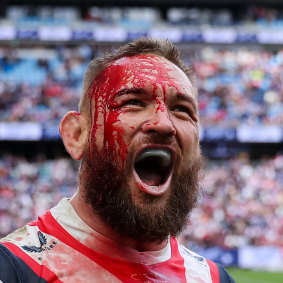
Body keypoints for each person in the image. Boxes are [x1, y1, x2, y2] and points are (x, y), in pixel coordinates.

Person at [0, 37, 235, 283]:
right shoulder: (16, 269)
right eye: (133, 102)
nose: (164, 124)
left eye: (182, 110)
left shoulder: (215, 279)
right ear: (77, 135)